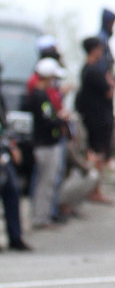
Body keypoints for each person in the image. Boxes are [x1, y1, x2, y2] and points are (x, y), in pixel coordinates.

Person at [22, 58, 67, 229]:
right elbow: (47, 120)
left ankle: (43, 215)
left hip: (45, 143)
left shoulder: (39, 94)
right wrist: (61, 119)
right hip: (45, 144)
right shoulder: (40, 96)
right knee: (45, 182)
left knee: (46, 181)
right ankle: (41, 217)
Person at [75, 37, 115, 203]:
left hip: (91, 117)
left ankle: (92, 188)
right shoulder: (93, 71)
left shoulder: (85, 69)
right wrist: (111, 81)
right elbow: (108, 92)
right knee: (98, 155)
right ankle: (94, 189)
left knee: (95, 154)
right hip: (97, 119)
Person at [0, 65, 30, 251]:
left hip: (3, 151)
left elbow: (5, 125)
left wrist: (11, 146)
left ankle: (15, 237)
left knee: (12, 191)